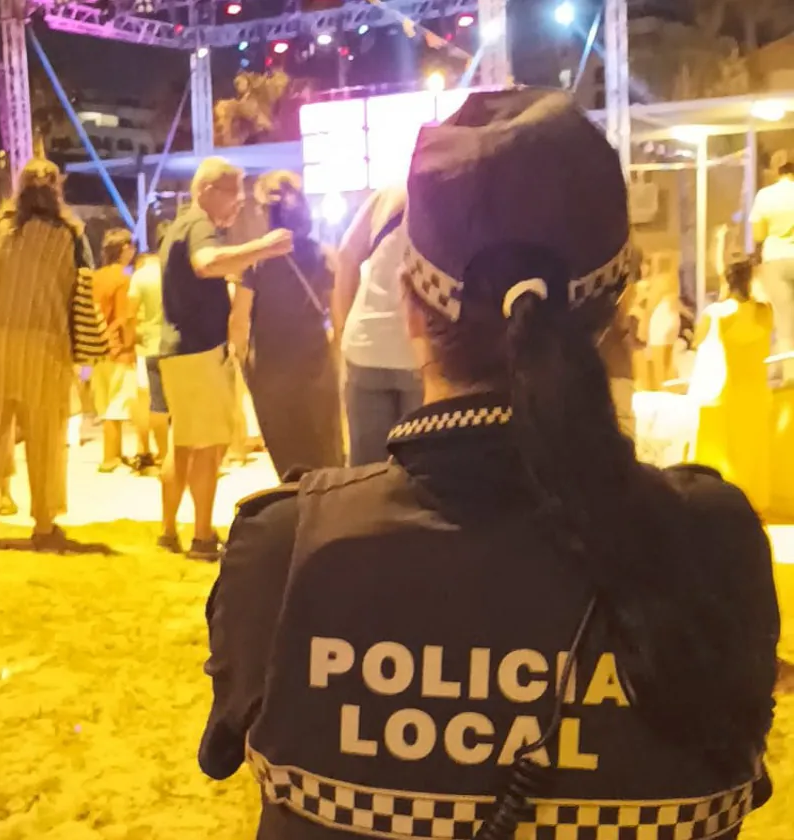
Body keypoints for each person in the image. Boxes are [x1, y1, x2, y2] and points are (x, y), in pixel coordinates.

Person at [200, 89, 778, 840]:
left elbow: (227, 752)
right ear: (621, 303)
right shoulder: (715, 546)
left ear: (409, 306)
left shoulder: (287, 553)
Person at [157, 157, 293, 560]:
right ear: (207, 192)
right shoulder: (200, 226)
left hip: (178, 351)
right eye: (233, 194)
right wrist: (262, 248)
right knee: (208, 446)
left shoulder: (180, 225)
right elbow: (207, 264)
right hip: (200, 351)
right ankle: (201, 537)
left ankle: (168, 531)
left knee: (181, 445)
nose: (238, 205)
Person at [0, 159, 91, 550]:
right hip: (46, 344)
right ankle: (44, 521)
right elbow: (81, 286)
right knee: (45, 435)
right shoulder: (69, 233)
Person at [231, 171, 343, 477]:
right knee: (325, 458)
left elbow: (239, 321)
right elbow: (338, 318)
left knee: (289, 461)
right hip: (317, 370)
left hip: (271, 374)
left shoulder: (257, 261)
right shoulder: (324, 255)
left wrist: (242, 366)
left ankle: (297, 518)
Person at [334, 186, 423, 466]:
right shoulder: (456, 191)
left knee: (365, 471)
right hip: (422, 350)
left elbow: (347, 256)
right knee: (419, 466)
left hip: (364, 343)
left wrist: (344, 328)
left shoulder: (390, 193)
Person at [690, 258, 774, 512]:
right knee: (753, 452)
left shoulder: (716, 314)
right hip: (756, 391)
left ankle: (725, 504)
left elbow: (697, 341)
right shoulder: (764, 313)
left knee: (725, 452)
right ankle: (755, 503)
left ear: (727, 280)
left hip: (725, 392)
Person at [91, 227, 139, 473]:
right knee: (117, 405)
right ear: (123, 249)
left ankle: (115, 454)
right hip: (118, 350)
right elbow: (125, 318)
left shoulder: (94, 278)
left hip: (96, 349)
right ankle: (111, 457)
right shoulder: (123, 278)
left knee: (105, 402)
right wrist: (130, 345)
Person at [127, 222, 170, 472]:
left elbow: (130, 314)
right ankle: (180, 455)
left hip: (150, 347)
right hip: (180, 347)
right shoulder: (178, 272)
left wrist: (135, 337)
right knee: (181, 404)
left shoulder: (141, 275)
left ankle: (163, 455)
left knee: (156, 404)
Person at [751, 162, 794, 383]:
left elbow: (758, 234)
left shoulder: (765, 196)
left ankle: (791, 376)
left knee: (785, 322)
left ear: (779, 173)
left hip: (775, 258)